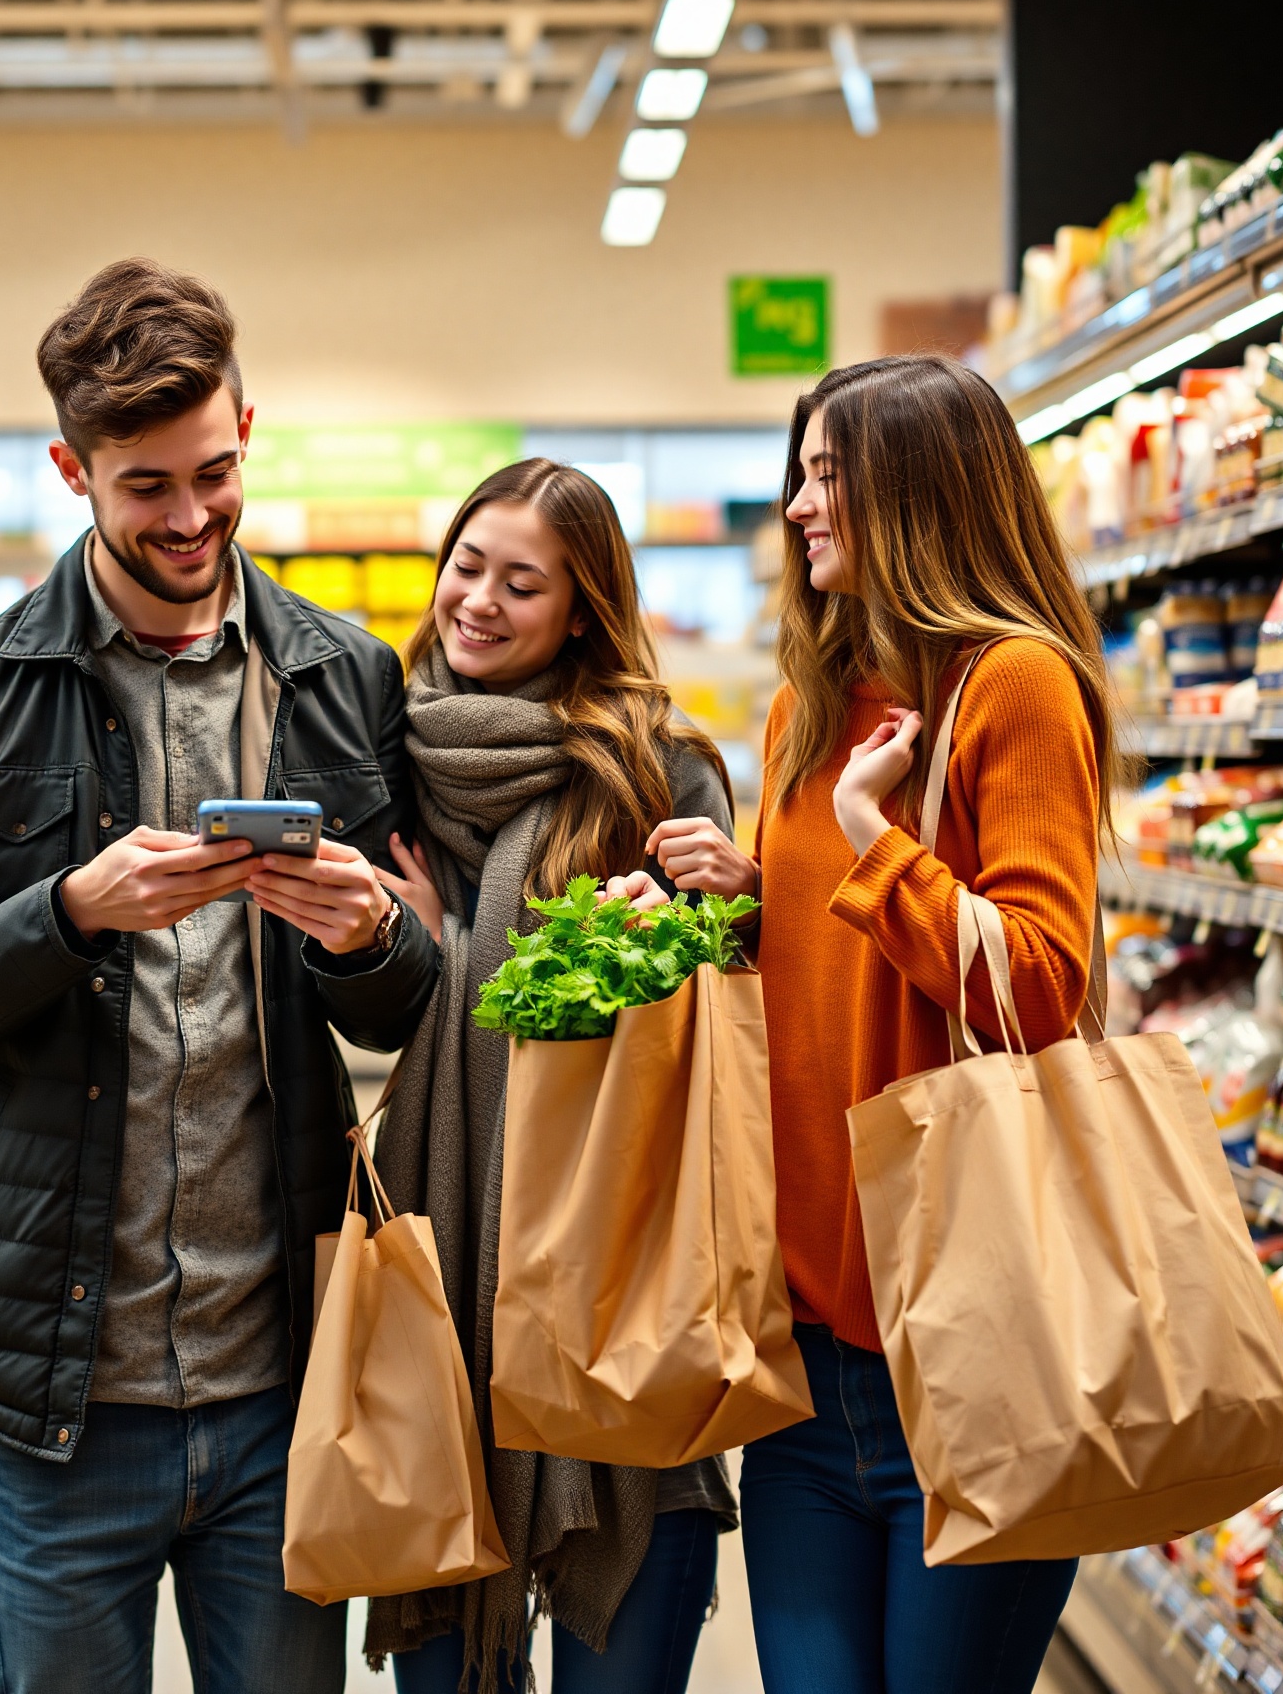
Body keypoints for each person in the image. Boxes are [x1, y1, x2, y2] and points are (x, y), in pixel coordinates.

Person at [0, 257, 439, 1694]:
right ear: (73, 469)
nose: (190, 518)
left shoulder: (341, 675)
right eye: (144, 488)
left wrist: (371, 934)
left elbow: (401, 1006)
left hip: (281, 1373)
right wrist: (67, 911)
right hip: (62, 1394)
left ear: (251, 425)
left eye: (215, 471)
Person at [633, 355, 1106, 1694]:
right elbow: (833, 976)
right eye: (801, 474)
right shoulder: (804, 707)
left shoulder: (1015, 689)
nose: (796, 506)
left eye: (827, 476)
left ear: (916, 491)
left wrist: (865, 834)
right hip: (807, 1353)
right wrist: (730, 907)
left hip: (968, 1346)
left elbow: (1032, 984)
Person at [328, 458, 738, 1694]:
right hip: (445, 1286)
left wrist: (718, 908)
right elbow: (361, 1003)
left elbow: (715, 1021)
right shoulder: (382, 759)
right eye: (468, 566)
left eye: (523, 582)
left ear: (581, 609)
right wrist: (402, 949)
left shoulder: (655, 769)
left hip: (621, 1288)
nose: (480, 602)